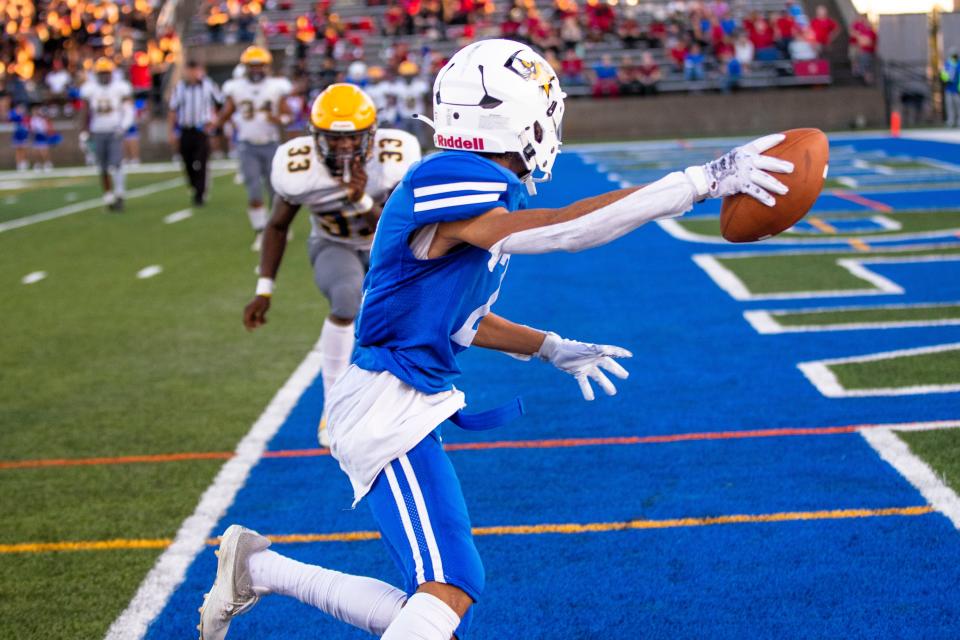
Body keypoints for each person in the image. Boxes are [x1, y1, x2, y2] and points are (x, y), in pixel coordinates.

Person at [199, 38, 794, 640]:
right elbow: (561, 231)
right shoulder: (449, 176)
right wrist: (699, 182)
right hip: (385, 401)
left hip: (402, 397)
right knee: (447, 587)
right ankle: (258, 567)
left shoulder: (474, 188)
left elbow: (460, 319)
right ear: (518, 117)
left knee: (442, 597)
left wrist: (549, 346)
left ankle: (257, 566)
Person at [242, 83, 420, 447]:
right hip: (332, 244)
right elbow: (277, 225)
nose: (342, 147)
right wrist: (264, 289)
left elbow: (394, 225)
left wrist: (358, 199)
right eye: (332, 139)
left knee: (411, 315)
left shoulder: (394, 157)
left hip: (385, 247)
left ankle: (402, 403)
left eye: (352, 138)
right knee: (346, 300)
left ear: (371, 135)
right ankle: (333, 407)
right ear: (314, 136)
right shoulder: (299, 168)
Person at [212, 46, 293, 250]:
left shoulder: (276, 86)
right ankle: (260, 232)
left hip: (271, 144)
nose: (256, 70)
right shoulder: (236, 87)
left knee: (275, 190)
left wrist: (279, 118)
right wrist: (216, 124)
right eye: (252, 66)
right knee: (254, 191)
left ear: (267, 67)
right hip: (247, 145)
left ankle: (279, 226)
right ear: (246, 67)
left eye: (260, 66)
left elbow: (288, 115)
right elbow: (227, 112)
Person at [79, 57, 134, 212]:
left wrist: (123, 126)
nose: (104, 76)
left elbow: (128, 109)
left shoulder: (120, 87)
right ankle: (109, 196)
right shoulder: (90, 89)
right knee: (102, 167)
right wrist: (84, 132)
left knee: (116, 164)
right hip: (97, 131)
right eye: (101, 73)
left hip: (114, 130)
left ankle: (120, 194)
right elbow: (85, 112)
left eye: (106, 73)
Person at [168, 60, 223, 206]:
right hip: (185, 129)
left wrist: (214, 121)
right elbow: (173, 109)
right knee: (187, 161)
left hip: (201, 130)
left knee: (201, 161)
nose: (192, 73)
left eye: (194, 70)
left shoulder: (208, 85)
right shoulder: (180, 87)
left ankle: (200, 193)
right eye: (189, 70)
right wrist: (172, 131)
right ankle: (195, 186)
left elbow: (220, 103)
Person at [942, 49, 960, 128]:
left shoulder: (958, 64)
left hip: (956, 89)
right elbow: (943, 74)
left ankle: (958, 121)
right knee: (949, 106)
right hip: (949, 88)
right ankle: (950, 121)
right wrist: (946, 78)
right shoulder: (947, 64)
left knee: (958, 105)